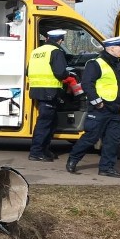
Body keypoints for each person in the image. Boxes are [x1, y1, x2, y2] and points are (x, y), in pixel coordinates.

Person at [66, 36, 120, 178]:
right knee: (91, 137)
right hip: (100, 107)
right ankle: (73, 159)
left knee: (113, 140)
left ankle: (107, 168)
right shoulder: (95, 63)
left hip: (115, 107)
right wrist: (97, 101)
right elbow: (87, 84)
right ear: (111, 48)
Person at [27, 29, 70, 161]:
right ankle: (36, 152)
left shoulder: (36, 51)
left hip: (37, 90)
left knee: (50, 122)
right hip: (50, 91)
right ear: (60, 40)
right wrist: (69, 74)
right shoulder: (56, 52)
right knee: (45, 123)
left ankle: (44, 150)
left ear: (47, 38)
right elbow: (61, 73)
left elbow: (28, 71)